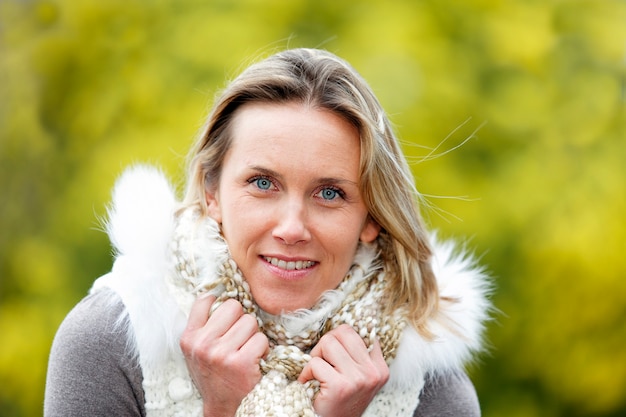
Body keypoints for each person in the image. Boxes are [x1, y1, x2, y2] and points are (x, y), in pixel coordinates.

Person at [44, 48, 491, 416]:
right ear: (211, 192)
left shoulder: (429, 385)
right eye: (263, 184)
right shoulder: (108, 342)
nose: (292, 228)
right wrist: (220, 409)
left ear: (372, 218)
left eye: (330, 193)